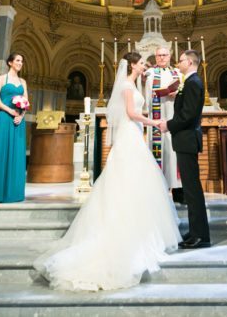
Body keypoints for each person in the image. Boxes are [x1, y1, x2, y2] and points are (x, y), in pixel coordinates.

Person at [33, 52, 180, 291]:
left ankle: (138, 228)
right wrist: (155, 123)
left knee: (134, 182)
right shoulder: (125, 85)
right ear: (132, 64)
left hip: (134, 134)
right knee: (126, 179)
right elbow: (132, 114)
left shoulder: (134, 83)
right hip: (130, 134)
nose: (145, 66)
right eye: (142, 63)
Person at [160, 49, 211, 248]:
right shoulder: (188, 82)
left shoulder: (193, 82)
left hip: (187, 139)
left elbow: (188, 115)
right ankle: (196, 231)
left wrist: (168, 125)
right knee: (190, 189)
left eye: (180, 61)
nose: (177, 63)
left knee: (192, 189)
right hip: (185, 139)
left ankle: (200, 235)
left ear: (189, 62)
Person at [0, 53, 28, 204]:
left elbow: (26, 101)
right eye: (17, 60)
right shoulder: (1, 79)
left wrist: (21, 115)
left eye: (22, 61)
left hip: (18, 121)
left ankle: (15, 192)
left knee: (17, 154)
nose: (20, 63)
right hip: (4, 118)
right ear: (10, 62)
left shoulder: (22, 82)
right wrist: (9, 111)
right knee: (1, 152)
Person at [143, 46, 182, 200]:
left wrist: (177, 93)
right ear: (155, 57)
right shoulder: (150, 73)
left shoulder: (177, 73)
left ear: (170, 56)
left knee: (174, 152)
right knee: (159, 150)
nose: (162, 58)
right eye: (159, 56)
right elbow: (145, 92)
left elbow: (183, 91)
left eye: (164, 55)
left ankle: (178, 188)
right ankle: (159, 187)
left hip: (174, 118)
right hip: (158, 119)